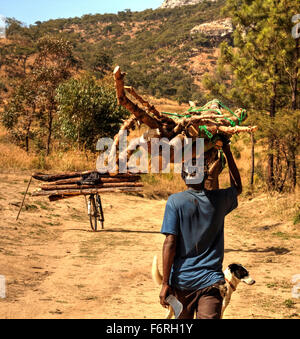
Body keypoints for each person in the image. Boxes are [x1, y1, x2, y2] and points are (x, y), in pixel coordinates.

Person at [159, 142, 242, 319]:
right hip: (211, 282)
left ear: (183, 175)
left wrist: (165, 283)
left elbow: (170, 242)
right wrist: (227, 150)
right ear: (205, 175)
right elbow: (238, 187)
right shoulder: (218, 200)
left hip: (182, 283)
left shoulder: (175, 202)